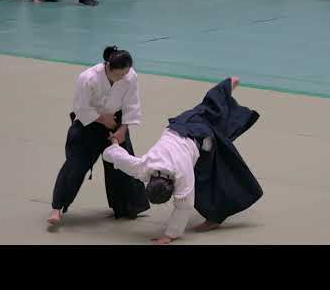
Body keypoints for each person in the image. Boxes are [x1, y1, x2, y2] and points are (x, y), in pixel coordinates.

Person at [103, 76, 263, 244]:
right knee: (207, 109)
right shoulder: (144, 167)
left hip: (201, 138)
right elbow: (121, 158)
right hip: (183, 123)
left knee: (208, 179)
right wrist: (114, 143)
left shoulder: (180, 175)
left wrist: (169, 236)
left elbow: (183, 207)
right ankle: (226, 86)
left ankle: (215, 217)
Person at [47, 46, 150, 225]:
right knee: (76, 165)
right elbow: (81, 108)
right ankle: (57, 207)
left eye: (126, 73)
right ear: (109, 67)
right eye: (119, 74)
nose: (124, 77)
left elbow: (131, 105)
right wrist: (103, 119)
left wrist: (122, 130)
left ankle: (127, 207)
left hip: (117, 122)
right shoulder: (88, 78)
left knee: (123, 163)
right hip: (89, 123)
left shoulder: (130, 76)